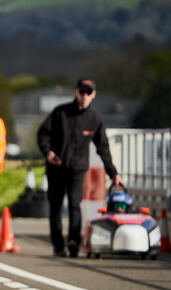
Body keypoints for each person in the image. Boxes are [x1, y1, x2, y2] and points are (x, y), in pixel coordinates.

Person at [37, 78, 122, 258]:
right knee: (56, 207)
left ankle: (73, 241)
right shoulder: (60, 112)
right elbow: (42, 134)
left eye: (88, 92)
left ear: (93, 95)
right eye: (81, 91)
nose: (84, 95)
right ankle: (58, 246)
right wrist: (48, 153)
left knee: (75, 205)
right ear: (76, 92)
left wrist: (113, 173)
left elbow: (103, 148)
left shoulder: (94, 119)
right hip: (56, 168)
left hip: (77, 169)